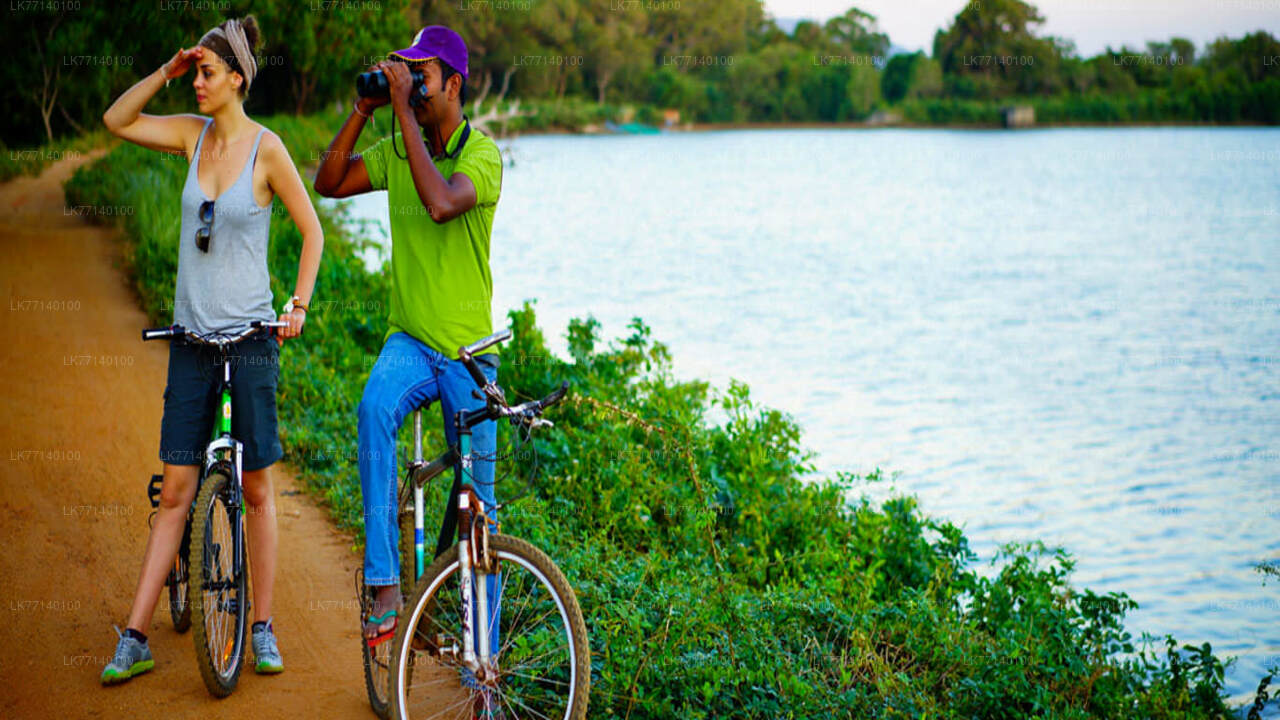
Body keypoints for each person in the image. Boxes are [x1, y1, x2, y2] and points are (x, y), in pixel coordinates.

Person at [99, 16, 324, 684]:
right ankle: (135, 637)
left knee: (256, 487)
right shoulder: (189, 137)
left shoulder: (269, 150)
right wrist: (165, 71)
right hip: (192, 342)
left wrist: (300, 306)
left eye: (205, 72)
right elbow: (116, 120)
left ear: (237, 78)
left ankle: (262, 627)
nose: (197, 83)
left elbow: (311, 232)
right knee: (175, 490)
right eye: (193, 72)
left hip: (253, 339)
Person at [312, 25, 503, 651]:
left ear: (454, 83)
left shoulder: (485, 156)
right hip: (411, 344)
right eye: (406, 74)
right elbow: (330, 183)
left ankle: (485, 679)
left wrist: (400, 114)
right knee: (372, 409)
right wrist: (363, 110)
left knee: (481, 515)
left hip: (471, 355)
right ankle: (386, 582)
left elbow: (445, 202)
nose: (414, 87)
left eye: (422, 77)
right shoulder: (398, 148)